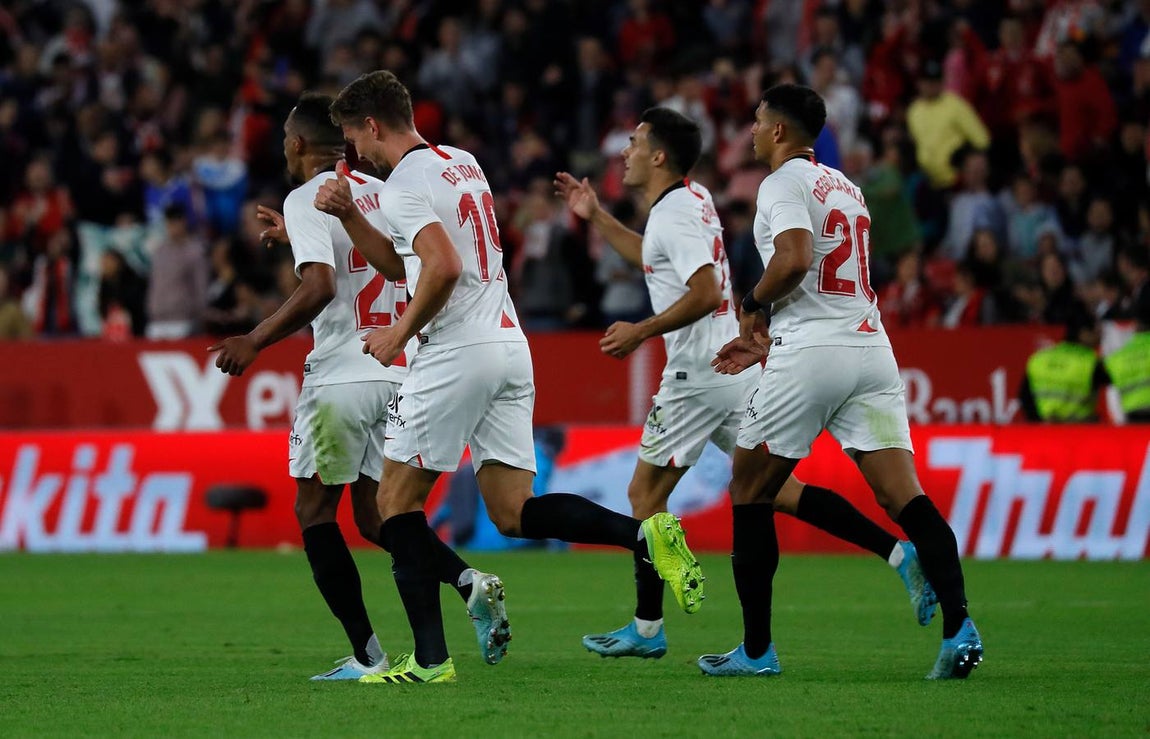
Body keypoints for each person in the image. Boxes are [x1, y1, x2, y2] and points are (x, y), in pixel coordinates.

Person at [317, 70, 703, 686]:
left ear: (372, 125)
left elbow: (439, 268)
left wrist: (398, 333)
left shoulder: (403, 185)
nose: (351, 153)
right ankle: (644, 536)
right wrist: (351, 220)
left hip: (453, 351)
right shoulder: (462, 163)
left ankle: (431, 662)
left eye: (351, 136)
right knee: (513, 511)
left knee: (394, 504)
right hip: (507, 343)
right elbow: (409, 263)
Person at [554, 107, 936, 660]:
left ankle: (647, 627)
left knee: (644, 495)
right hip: (734, 366)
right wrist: (595, 216)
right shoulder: (693, 200)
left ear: (659, 156)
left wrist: (643, 329)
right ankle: (899, 556)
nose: (624, 152)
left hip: (696, 374)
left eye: (635, 142)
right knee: (776, 491)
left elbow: (708, 291)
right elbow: (655, 258)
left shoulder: (674, 214)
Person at [209, 93, 501, 682]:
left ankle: (368, 655)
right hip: (399, 369)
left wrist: (255, 338)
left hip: (342, 376)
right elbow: (388, 262)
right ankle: (468, 581)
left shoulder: (305, 196)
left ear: (295, 145)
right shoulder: (379, 191)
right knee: (377, 518)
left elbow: (319, 287)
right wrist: (299, 236)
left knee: (314, 510)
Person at [706, 84, 982, 679]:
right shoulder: (846, 188)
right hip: (870, 347)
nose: (751, 132)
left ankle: (756, 652)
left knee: (750, 491)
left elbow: (797, 259)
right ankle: (960, 627)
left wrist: (752, 305)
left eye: (756, 122)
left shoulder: (779, 183)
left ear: (779, 131)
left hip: (813, 352)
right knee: (904, 497)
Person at [1019, 306, 1108, 422]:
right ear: (1083, 334)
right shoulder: (1090, 363)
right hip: (1080, 432)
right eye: (1097, 331)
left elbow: (1024, 397)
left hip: (1048, 431)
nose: (1100, 336)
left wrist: (1040, 423)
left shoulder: (1038, 359)